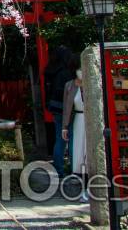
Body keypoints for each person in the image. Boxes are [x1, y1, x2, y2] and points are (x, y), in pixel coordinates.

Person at [44, 46, 76, 176]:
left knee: (59, 138)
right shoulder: (67, 72)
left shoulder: (50, 70)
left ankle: (59, 169)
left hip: (55, 107)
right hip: (68, 108)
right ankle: (74, 167)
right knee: (73, 137)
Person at [62, 69, 88, 201]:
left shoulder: (92, 82)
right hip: (78, 120)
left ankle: (91, 188)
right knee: (78, 154)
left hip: (92, 120)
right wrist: (64, 127)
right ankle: (83, 188)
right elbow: (67, 108)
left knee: (89, 153)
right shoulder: (70, 85)